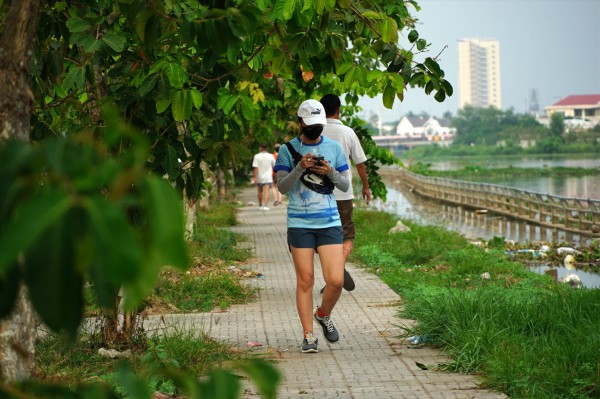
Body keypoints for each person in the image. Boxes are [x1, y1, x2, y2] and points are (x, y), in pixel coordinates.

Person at [274, 99, 351, 353]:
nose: (314, 130)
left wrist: (329, 171)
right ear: (300, 123)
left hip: (329, 223)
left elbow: (344, 186)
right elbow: (282, 187)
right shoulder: (287, 149)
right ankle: (308, 336)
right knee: (305, 280)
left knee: (336, 280)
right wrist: (300, 167)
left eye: (317, 126)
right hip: (299, 224)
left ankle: (323, 314)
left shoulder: (334, 147)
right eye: (309, 125)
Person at [318, 93, 372, 293]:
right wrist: (365, 187)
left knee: (322, 236)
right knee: (346, 234)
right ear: (338, 110)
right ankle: (337, 272)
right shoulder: (348, 132)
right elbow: (360, 163)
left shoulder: (314, 131)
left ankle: (334, 276)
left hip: (319, 194)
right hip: (343, 193)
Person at [252, 143, 275, 210]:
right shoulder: (271, 156)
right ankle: (265, 206)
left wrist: (255, 177)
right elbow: (274, 166)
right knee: (266, 191)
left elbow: (255, 168)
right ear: (266, 148)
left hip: (259, 176)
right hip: (268, 177)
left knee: (259, 191)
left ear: (260, 148)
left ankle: (260, 205)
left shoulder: (256, 156)